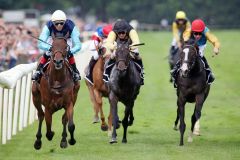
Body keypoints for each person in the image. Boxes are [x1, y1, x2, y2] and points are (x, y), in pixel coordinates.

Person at [32, 10, 82, 82]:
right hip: (52, 40)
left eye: (62, 23)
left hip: (67, 40)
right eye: (56, 23)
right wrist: (50, 48)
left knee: (69, 54)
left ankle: (75, 72)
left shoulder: (71, 26)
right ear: (52, 22)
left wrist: (71, 51)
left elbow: (78, 45)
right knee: (48, 53)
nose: (59, 25)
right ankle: (38, 71)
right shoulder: (48, 25)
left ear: (65, 22)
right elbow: (40, 43)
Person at [171, 18, 220, 86]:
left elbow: (215, 40)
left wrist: (216, 47)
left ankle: (209, 73)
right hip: (191, 44)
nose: (198, 36)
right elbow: (185, 39)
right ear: (192, 31)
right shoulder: (189, 30)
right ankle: (176, 70)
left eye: (200, 33)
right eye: (196, 33)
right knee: (186, 56)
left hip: (201, 45)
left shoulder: (206, 31)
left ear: (202, 31)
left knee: (200, 56)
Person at [103, 19, 144, 85]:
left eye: (123, 33)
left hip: (130, 46)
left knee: (138, 56)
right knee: (112, 56)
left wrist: (130, 47)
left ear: (126, 31)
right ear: (116, 32)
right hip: (118, 47)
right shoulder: (113, 32)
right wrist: (115, 48)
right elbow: (109, 43)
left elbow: (136, 42)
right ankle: (106, 74)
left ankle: (141, 75)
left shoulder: (131, 31)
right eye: (119, 33)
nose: (121, 34)